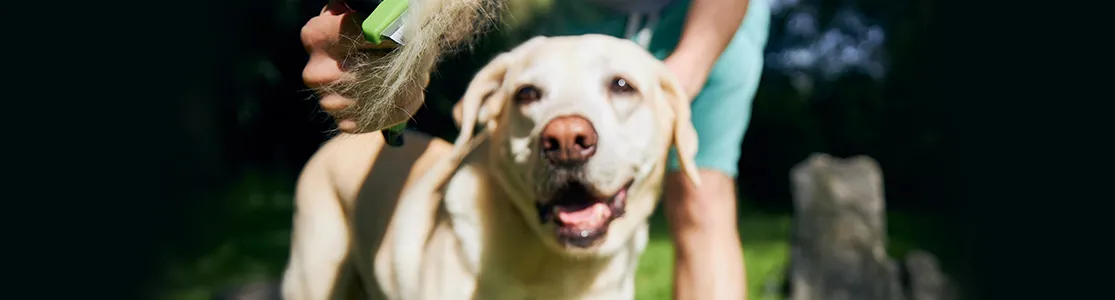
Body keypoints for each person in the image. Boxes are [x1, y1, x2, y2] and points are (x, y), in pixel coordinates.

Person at [300, 0, 769, 299]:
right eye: (528, 97)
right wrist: (403, 46)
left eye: (620, 88)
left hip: (710, 11)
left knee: (702, 198)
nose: (566, 136)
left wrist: (673, 88)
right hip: (587, 7)